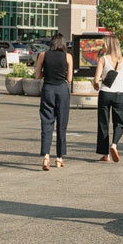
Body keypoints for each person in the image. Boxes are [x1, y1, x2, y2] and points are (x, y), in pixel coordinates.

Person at [35, 33, 73, 170]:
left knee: (46, 123)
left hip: (48, 89)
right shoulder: (68, 57)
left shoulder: (43, 55)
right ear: (63, 44)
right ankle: (59, 157)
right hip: (62, 90)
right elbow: (69, 79)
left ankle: (46, 156)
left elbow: (38, 75)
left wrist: (47, 73)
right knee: (62, 124)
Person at [93, 35, 123, 163]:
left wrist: (96, 84)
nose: (103, 46)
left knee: (103, 123)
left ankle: (105, 155)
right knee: (120, 122)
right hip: (119, 94)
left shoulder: (103, 59)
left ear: (109, 45)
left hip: (105, 94)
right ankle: (114, 145)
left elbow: (96, 80)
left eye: (104, 44)